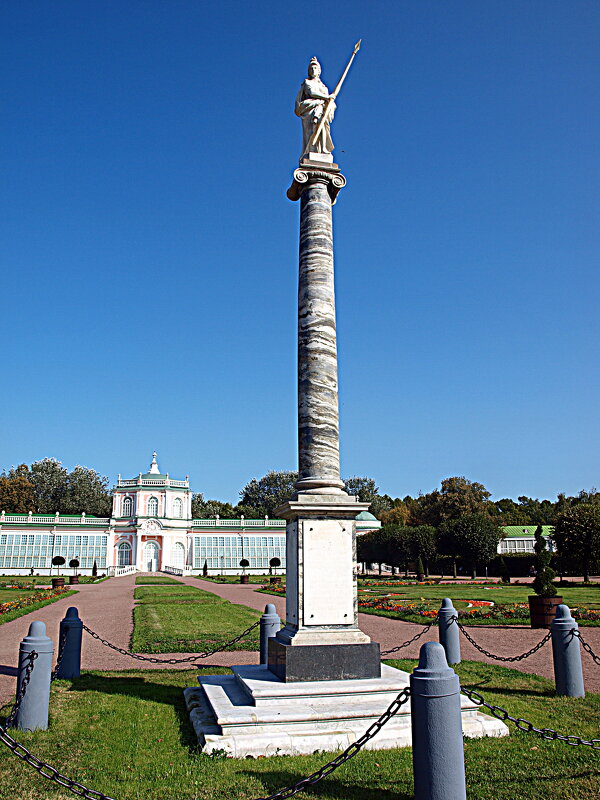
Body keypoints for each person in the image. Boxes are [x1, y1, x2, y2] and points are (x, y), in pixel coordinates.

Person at [295, 57, 335, 157]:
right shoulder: (307, 82)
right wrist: (327, 97)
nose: (313, 70)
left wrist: (330, 102)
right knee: (311, 130)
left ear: (319, 71)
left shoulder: (323, 86)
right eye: (311, 69)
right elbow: (311, 92)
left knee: (322, 127)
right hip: (310, 109)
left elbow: (329, 102)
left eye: (315, 68)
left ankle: (322, 150)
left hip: (322, 111)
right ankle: (311, 149)